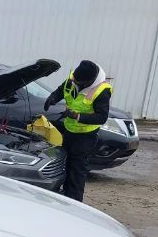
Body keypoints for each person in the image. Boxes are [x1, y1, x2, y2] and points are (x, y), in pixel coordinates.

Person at [44, 60, 112, 202]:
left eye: (79, 82)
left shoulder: (101, 90)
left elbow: (101, 117)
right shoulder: (75, 78)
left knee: (77, 172)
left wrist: (77, 116)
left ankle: (74, 202)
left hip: (85, 137)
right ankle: (63, 198)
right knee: (63, 165)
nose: (75, 82)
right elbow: (62, 89)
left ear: (90, 81)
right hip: (69, 132)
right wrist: (53, 98)